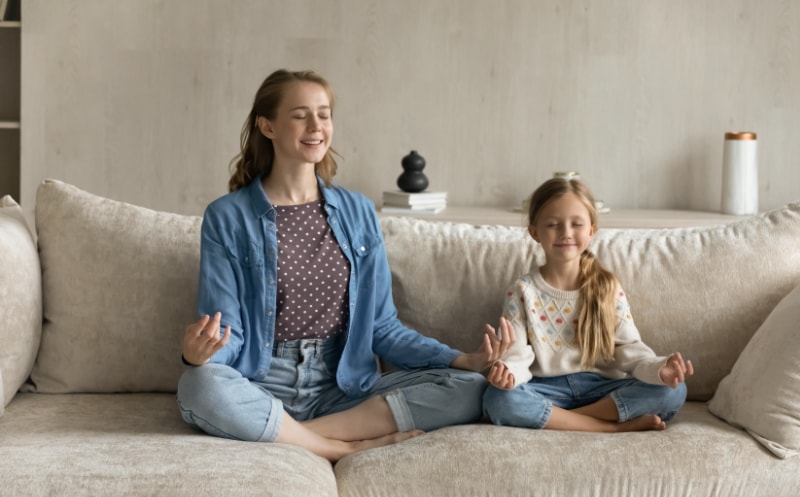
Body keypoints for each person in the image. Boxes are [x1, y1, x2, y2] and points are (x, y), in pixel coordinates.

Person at [176, 69, 511, 461]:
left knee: (472, 385)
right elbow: (227, 331)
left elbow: (382, 329)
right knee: (199, 385)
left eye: (324, 114)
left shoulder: (357, 212)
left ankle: (290, 435)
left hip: (345, 388)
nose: (316, 126)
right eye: (301, 115)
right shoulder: (227, 217)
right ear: (268, 126)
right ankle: (336, 448)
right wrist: (200, 356)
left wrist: (461, 359)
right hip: (264, 384)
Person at [483, 177, 693, 432]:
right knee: (498, 399)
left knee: (674, 390)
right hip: (547, 389)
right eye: (552, 224)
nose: (566, 233)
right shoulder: (522, 291)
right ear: (535, 231)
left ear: (591, 230)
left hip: (601, 389)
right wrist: (507, 374)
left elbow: (629, 350)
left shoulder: (608, 287)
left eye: (577, 224)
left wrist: (659, 369)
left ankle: (561, 420)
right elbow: (516, 355)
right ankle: (610, 427)